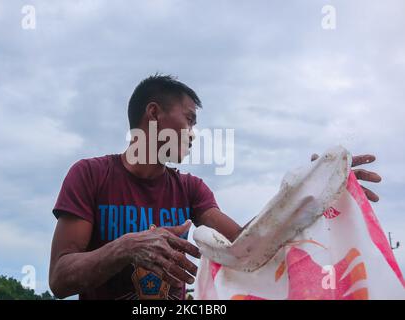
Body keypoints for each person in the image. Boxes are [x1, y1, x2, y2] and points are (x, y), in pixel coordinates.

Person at [49, 74, 382, 300]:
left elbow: (246, 244)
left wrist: (310, 193)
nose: (193, 133)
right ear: (153, 113)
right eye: (190, 119)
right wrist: (128, 246)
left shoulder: (190, 189)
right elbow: (60, 279)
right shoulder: (91, 175)